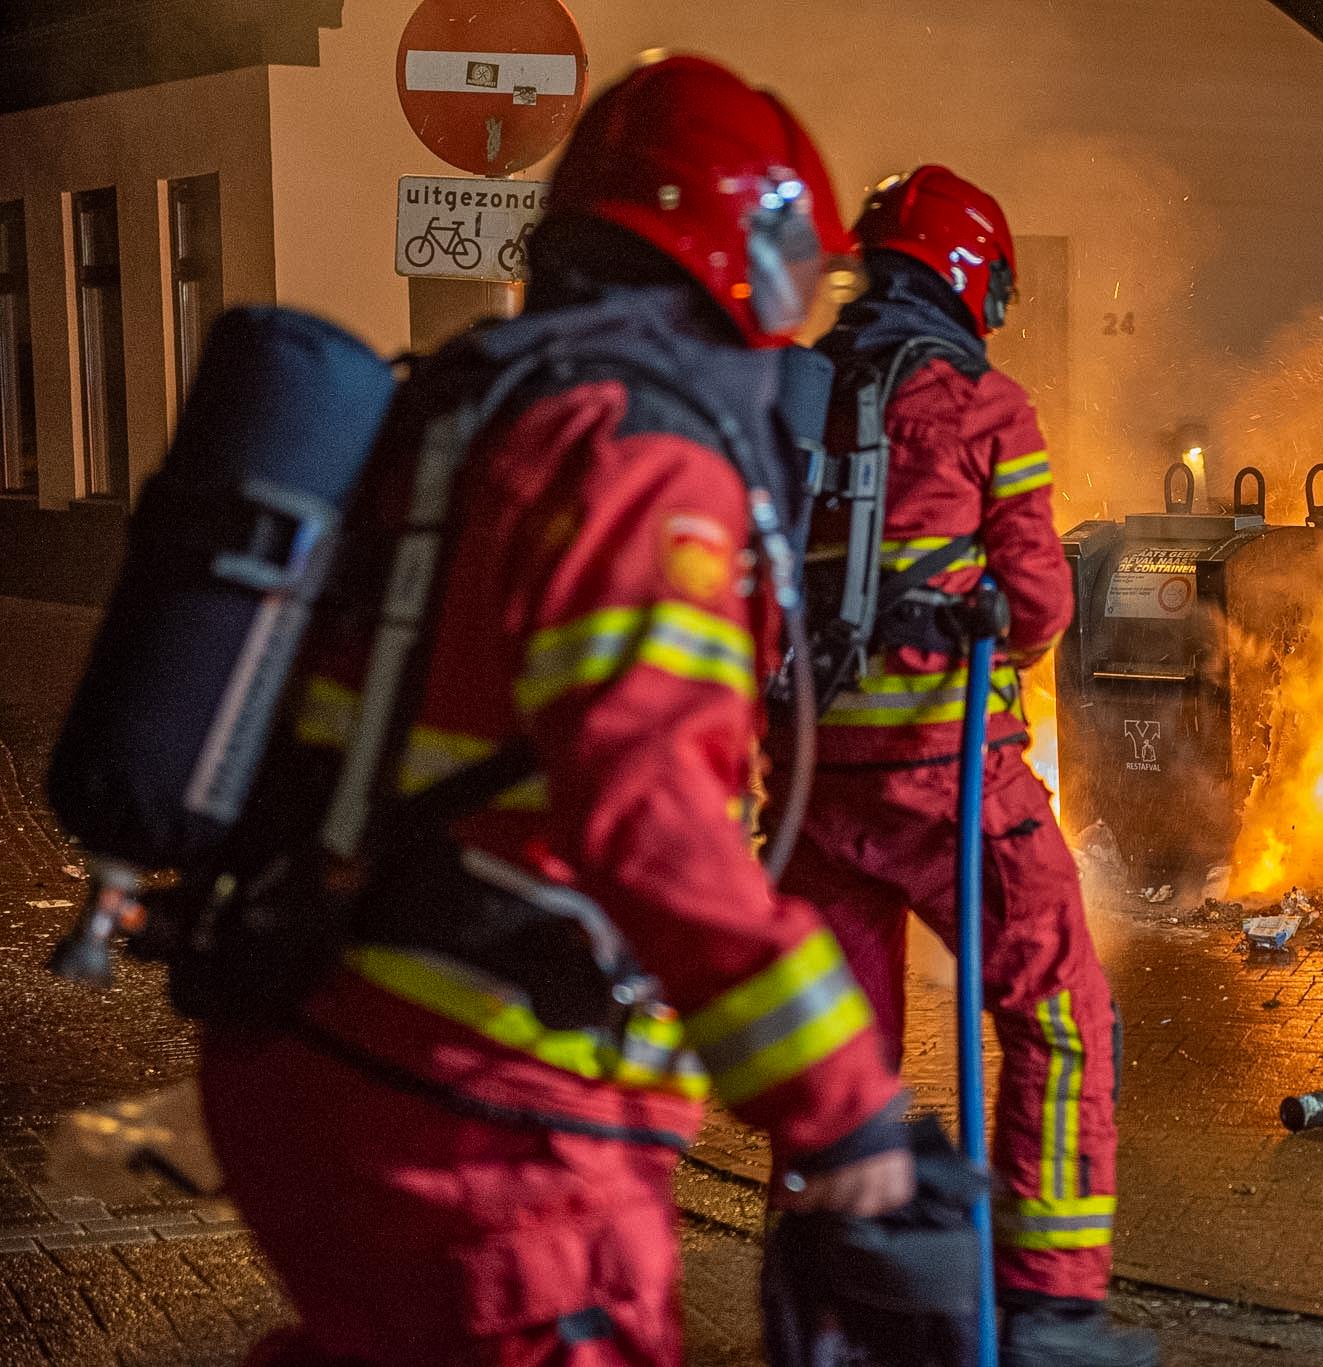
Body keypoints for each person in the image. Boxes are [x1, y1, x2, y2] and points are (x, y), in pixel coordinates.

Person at [198, 56, 910, 1365]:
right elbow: (650, 811)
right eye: (801, 272)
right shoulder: (645, 460)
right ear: (736, 249)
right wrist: (844, 1106)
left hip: (311, 1047)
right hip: (484, 1119)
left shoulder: (467, 403)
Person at [781, 165, 1155, 1367]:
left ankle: (841, 1297)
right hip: (953, 784)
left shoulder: (787, 397)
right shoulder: (984, 406)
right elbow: (1039, 599)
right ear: (966, 277)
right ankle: (1042, 1303)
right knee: (1058, 1012)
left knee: (837, 1052)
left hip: (805, 789)